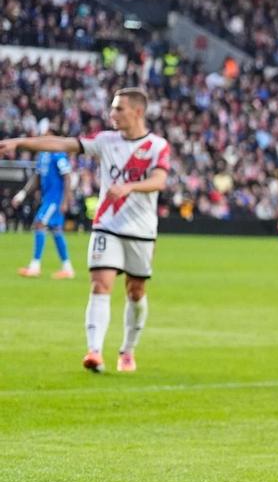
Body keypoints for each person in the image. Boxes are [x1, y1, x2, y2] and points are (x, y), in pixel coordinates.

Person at [0, 88, 170, 373]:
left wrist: (129, 186)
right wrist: (20, 142)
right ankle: (95, 351)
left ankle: (127, 350)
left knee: (136, 292)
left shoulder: (156, 146)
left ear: (138, 112)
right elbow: (61, 143)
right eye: (113, 108)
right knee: (100, 285)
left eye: (119, 109)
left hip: (141, 230)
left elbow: (159, 180)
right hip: (107, 225)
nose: (112, 114)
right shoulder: (105, 141)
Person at [12, 128, 77, 279]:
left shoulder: (59, 155)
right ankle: (67, 268)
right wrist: (22, 194)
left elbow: (67, 177)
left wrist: (65, 201)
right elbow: (37, 177)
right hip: (48, 198)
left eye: (48, 136)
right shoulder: (43, 155)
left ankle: (35, 266)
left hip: (55, 199)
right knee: (56, 230)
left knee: (39, 224)